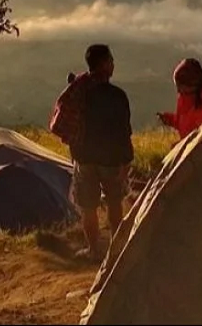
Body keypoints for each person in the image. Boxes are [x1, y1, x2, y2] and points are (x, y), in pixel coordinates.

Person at [68, 44, 133, 261]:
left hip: (84, 158)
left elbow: (71, 125)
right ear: (104, 64)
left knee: (88, 207)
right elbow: (124, 132)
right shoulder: (117, 96)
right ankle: (117, 250)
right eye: (111, 60)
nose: (113, 64)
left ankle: (94, 250)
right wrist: (126, 161)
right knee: (114, 203)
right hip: (111, 159)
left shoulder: (79, 93)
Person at [158, 58, 202, 139]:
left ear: (191, 86)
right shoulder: (186, 97)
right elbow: (185, 122)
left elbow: (200, 140)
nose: (178, 90)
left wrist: (179, 145)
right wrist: (170, 120)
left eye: (181, 87)